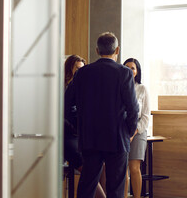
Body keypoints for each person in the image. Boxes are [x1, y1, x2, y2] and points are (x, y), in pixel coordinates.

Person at [65, 32, 139, 198]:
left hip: (90, 138)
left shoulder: (82, 73)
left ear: (97, 50)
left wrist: (79, 125)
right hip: (117, 138)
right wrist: (128, 131)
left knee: (87, 185)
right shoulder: (124, 73)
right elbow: (133, 109)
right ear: (117, 50)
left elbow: (66, 104)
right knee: (116, 188)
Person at [63, 55, 106, 198]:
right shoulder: (62, 87)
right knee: (89, 171)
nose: (79, 72)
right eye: (77, 68)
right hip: (66, 136)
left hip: (80, 134)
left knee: (101, 167)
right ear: (70, 69)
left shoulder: (83, 88)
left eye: (82, 69)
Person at [123, 58, 151, 197]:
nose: (129, 70)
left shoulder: (142, 89)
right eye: (127, 67)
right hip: (122, 131)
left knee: (134, 168)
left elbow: (146, 116)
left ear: (137, 71)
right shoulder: (119, 87)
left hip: (138, 131)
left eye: (132, 68)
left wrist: (134, 132)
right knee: (123, 170)